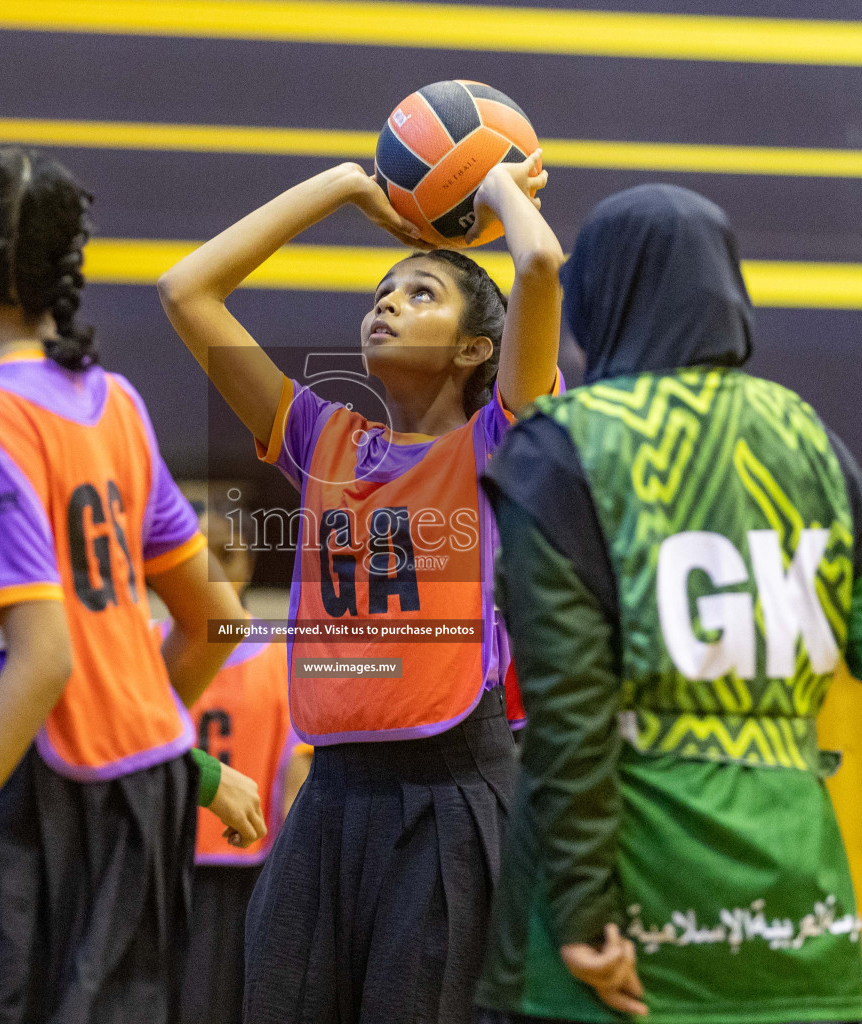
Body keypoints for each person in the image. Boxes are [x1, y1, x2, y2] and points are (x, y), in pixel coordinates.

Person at [476, 183, 862, 1024]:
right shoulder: (814, 443)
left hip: (632, 899)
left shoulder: (564, 448)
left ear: (599, 297)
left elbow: (570, 712)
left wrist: (579, 907)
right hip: (801, 901)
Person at [157, 150, 563, 1023]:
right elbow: (187, 290)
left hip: (452, 795)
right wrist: (341, 187)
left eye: (421, 294)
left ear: (474, 349)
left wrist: (494, 191)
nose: (387, 302)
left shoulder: (501, 439)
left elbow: (537, 266)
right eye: (383, 289)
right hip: (329, 801)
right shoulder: (322, 440)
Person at [0, 147, 253, 1024]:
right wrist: (139, 729)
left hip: (38, 793)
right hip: (144, 800)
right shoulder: (115, 404)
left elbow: (41, 662)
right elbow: (217, 622)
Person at [175, 494, 311, 1024]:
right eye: (199, 553)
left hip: (244, 876)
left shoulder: (282, 659)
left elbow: (297, 777)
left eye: (225, 554)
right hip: (161, 863)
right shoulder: (147, 648)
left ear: (249, 565)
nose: (212, 570)